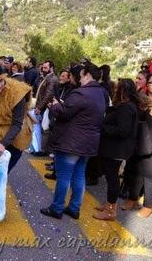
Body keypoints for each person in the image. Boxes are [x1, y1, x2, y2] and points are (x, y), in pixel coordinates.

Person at [40, 63, 107, 220]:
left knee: (64, 177)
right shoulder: (102, 93)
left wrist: (55, 106)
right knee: (79, 176)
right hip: (88, 143)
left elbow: (64, 112)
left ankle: (56, 208)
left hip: (72, 143)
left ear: (87, 75)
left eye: (81, 75)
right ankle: (74, 208)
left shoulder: (81, 93)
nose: (79, 78)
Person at [92, 79, 140, 221]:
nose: (116, 91)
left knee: (112, 179)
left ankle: (111, 210)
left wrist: (102, 127)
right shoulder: (129, 106)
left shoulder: (126, 107)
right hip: (116, 149)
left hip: (116, 150)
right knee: (111, 177)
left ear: (123, 90)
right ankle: (109, 204)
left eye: (119, 88)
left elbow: (122, 130)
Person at [123, 72, 152, 218]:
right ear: (147, 85)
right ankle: (132, 199)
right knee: (134, 173)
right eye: (151, 82)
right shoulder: (144, 101)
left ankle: (148, 206)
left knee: (150, 177)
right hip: (140, 143)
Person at [33, 60, 59, 157]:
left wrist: (39, 107)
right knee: (40, 127)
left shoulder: (52, 79)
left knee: (45, 128)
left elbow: (48, 94)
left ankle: (43, 150)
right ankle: (38, 147)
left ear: (51, 68)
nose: (43, 70)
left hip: (46, 106)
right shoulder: (46, 77)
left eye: (45, 68)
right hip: (42, 105)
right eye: (42, 68)